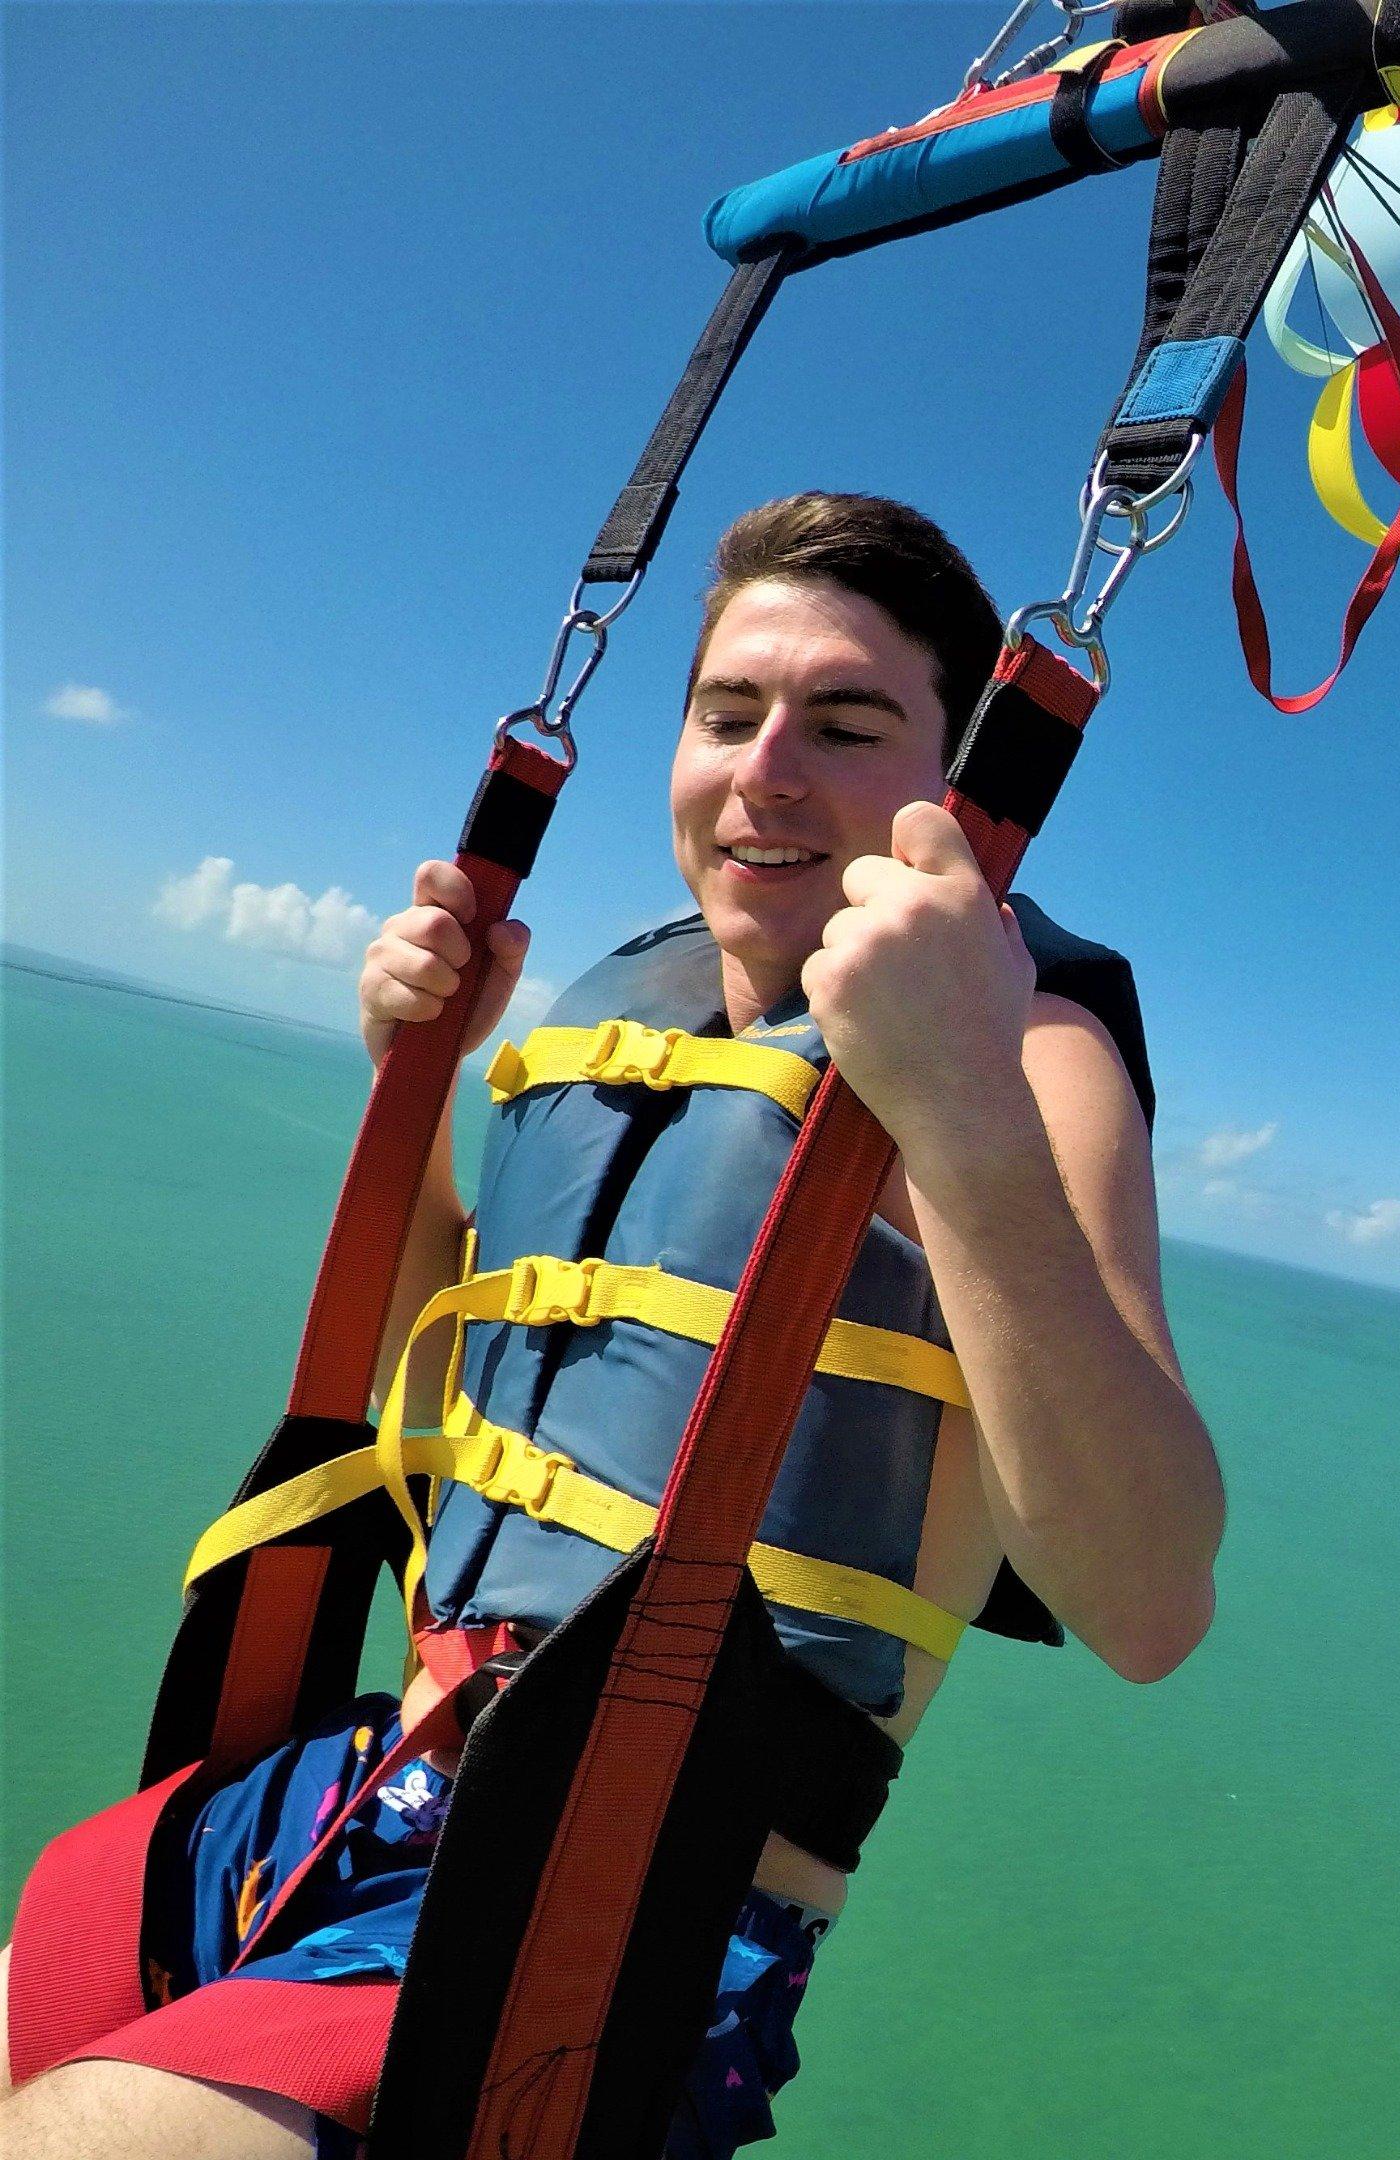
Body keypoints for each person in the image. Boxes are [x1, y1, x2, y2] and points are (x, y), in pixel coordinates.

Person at [0, 492, 1224, 2158]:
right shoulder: (629, 1001)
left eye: (847, 725)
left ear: (957, 786)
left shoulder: (1018, 1041)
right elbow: (441, 1407)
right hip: (372, 1788)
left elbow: (1149, 1602)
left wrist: (958, 1113)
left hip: (624, 1902)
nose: (766, 770)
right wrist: (413, 1089)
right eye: (729, 714)